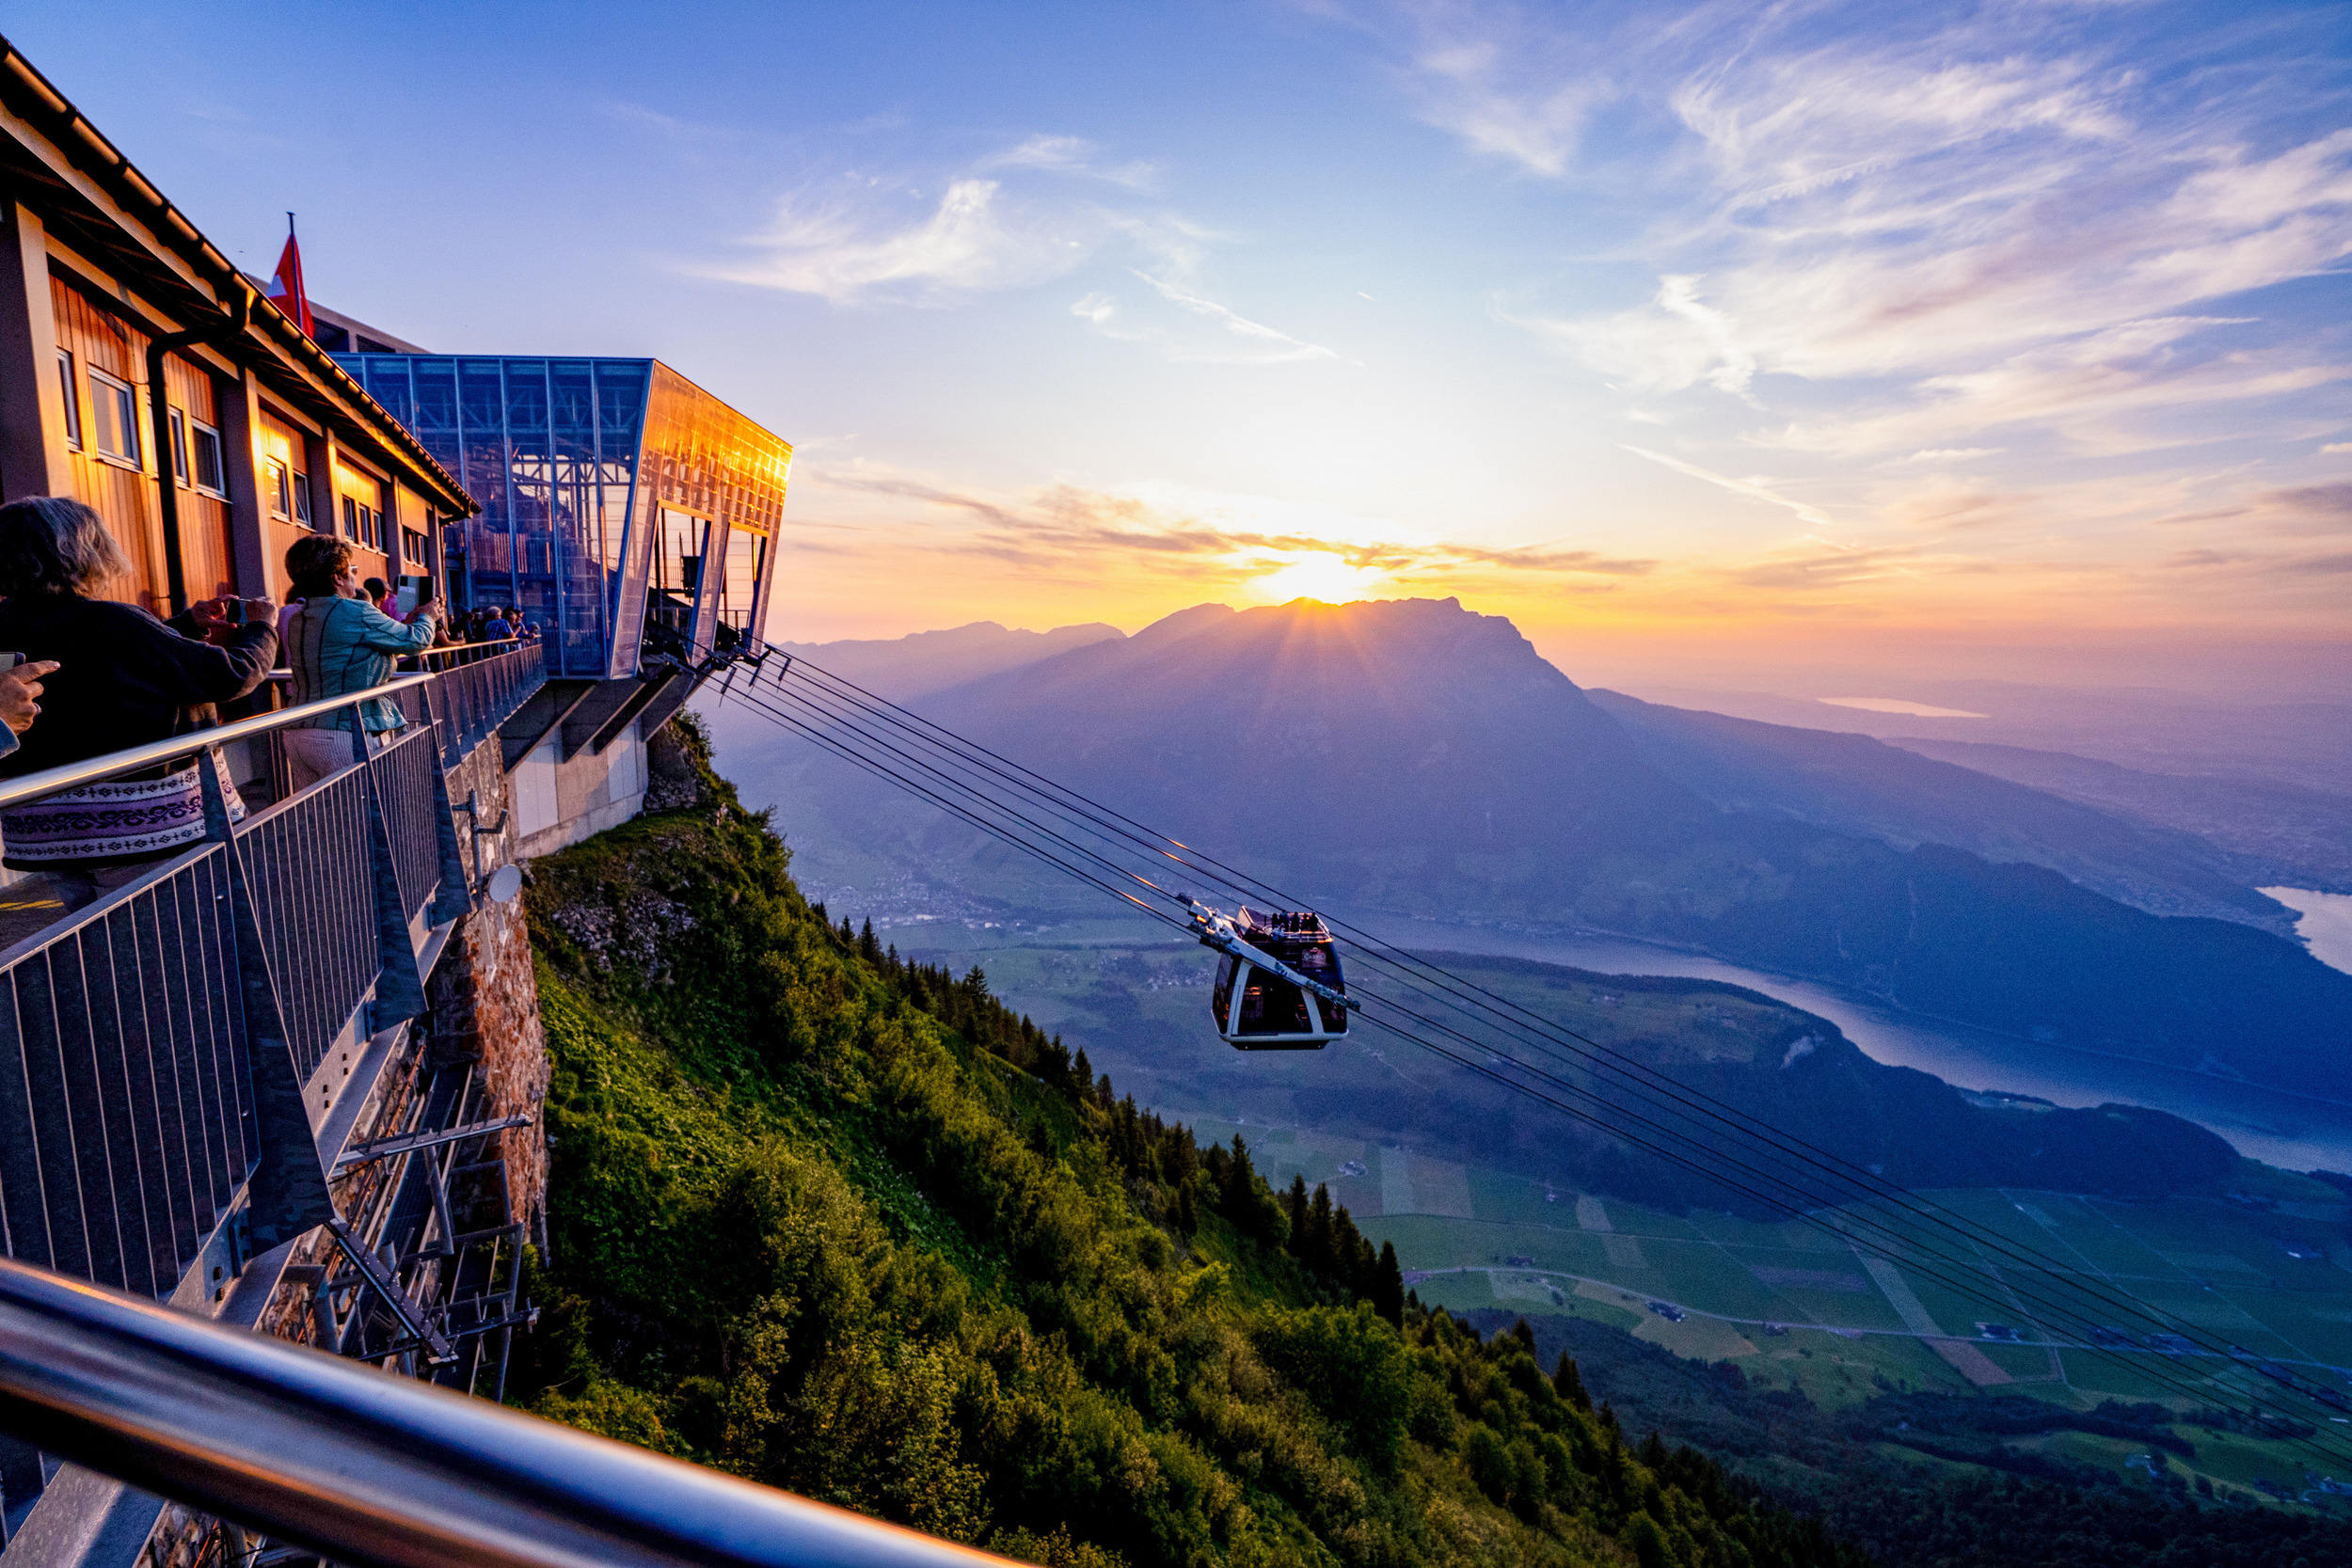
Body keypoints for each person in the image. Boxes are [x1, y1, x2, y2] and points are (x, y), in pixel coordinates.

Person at [0, 497, 277, 904]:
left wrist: (183, 626)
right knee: (175, 947)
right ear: (85, 551)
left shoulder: (7, 623)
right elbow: (230, 675)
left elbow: (92, 666)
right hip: (139, 832)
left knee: (96, 949)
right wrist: (262, 628)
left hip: (42, 831)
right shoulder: (112, 621)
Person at [281, 535, 440, 792]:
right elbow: (416, 641)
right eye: (352, 570)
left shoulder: (300, 616)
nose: (355, 576)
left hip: (300, 733)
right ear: (338, 577)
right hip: (345, 733)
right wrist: (428, 617)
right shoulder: (356, 611)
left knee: (322, 822)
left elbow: (354, 650)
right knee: (363, 819)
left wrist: (413, 618)